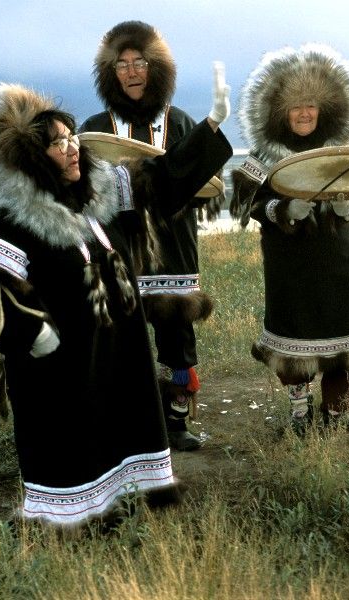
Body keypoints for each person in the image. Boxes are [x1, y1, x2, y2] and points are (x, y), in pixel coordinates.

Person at [0, 74, 232, 531]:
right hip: (64, 370)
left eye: (71, 137)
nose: (72, 148)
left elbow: (161, 181)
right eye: (57, 144)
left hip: (119, 355)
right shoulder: (21, 221)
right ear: (34, 160)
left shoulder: (101, 194)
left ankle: (118, 515)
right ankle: (74, 531)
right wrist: (34, 334)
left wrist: (210, 127)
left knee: (120, 434)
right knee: (78, 448)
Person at [80, 21, 229, 452]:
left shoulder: (179, 122)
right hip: (117, 245)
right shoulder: (95, 127)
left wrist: (211, 127)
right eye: (122, 64)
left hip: (172, 244)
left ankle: (176, 420)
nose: (131, 71)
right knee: (115, 333)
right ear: (111, 72)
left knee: (176, 336)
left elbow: (200, 188)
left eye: (140, 61)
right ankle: (124, 421)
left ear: (155, 67)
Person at [230, 43, 349, 435]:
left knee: (344, 341)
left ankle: (336, 413)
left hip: (340, 260)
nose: (304, 113)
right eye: (295, 106)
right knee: (294, 337)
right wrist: (281, 211)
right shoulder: (261, 156)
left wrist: (347, 206)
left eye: (311, 105)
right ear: (279, 110)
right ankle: (299, 412)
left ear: (325, 109)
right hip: (290, 264)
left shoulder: (341, 151)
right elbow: (245, 205)